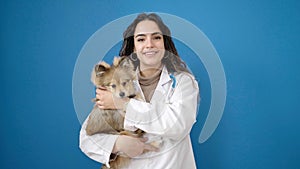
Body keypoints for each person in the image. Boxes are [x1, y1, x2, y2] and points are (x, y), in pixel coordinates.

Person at [80, 13, 199, 169]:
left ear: (165, 43)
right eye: (141, 39)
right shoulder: (117, 84)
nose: (149, 44)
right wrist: (117, 144)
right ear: (134, 47)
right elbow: (86, 139)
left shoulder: (183, 82)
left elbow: (177, 126)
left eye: (156, 37)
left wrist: (123, 105)